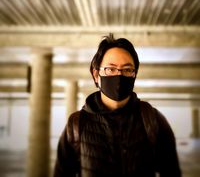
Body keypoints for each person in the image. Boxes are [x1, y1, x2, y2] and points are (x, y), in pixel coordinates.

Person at [53, 33, 181, 177]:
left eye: (127, 70)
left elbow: (171, 171)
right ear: (96, 74)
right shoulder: (76, 124)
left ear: (134, 75)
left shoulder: (152, 119)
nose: (119, 75)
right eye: (111, 69)